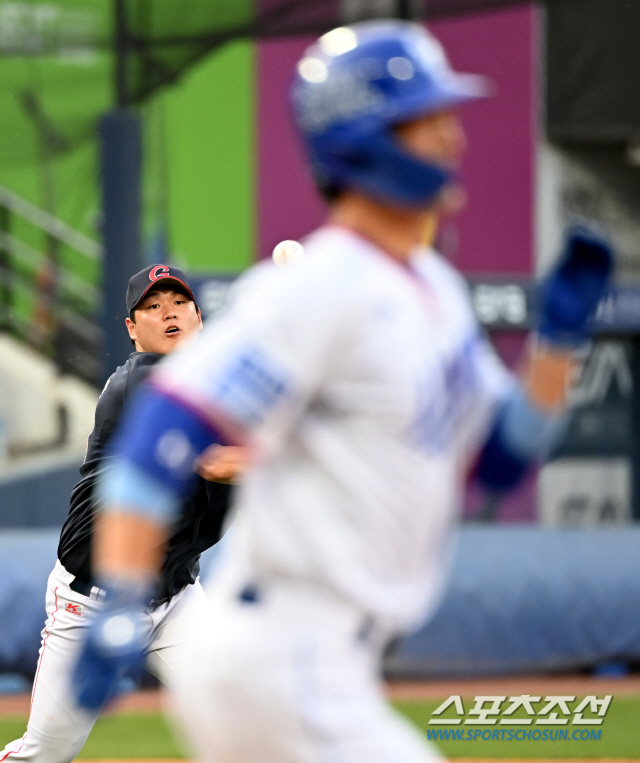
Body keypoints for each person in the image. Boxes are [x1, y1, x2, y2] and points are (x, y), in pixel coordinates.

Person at [73, 20, 612, 763]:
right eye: (427, 122)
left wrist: (555, 346)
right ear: (366, 143)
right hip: (277, 652)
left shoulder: (437, 294)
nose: (453, 139)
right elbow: (156, 435)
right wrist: (124, 602)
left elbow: (502, 459)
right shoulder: (317, 288)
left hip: (332, 656)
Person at [0, 265, 243, 763]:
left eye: (178, 301)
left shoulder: (214, 377)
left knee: (250, 720)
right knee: (47, 753)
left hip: (176, 596)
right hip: (93, 601)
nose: (167, 312)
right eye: (152, 307)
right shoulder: (143, 383)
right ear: (133, 330)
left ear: (199, 315)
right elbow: (217, 463)